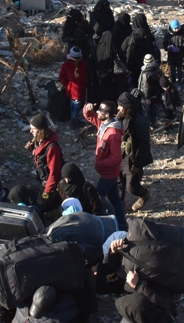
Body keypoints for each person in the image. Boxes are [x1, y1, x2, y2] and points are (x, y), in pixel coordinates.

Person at [82, 99, 126, 230]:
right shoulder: (103, 124)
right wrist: (87, 108)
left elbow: (116, 158)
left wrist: (100, 164)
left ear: (107, 114)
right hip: (108, 172)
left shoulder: (112, 133)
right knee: (115, 199)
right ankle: (122, 225)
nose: (97, 112)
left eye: (100, 110)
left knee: (96, 198)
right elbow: (89, 116)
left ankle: (98, 224)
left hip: (108, 173)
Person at [118, 92, 152, 213]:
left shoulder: (140, 123)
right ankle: (119, 208)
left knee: (131, 187)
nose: (118, 108)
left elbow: (144, 147)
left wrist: (137, 165)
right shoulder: (120, 118)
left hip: (132, 160)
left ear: (127, 108)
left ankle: (144, 195)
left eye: (120, 106)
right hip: (119, 156)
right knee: (119, 184)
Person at [27, 113, 64, 210]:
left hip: (52, 185)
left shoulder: (52, 148)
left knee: (48, 206)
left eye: (33, 129)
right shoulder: (38, 140)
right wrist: (32, 150)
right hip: (43, 179)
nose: (30, 131)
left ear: (41, 130)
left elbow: (54, 173)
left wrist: (47, 191)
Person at [59, 47, 88, 125]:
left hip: (71, 89)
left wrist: (66, 83)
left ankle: (73, 117)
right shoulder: (84, 64)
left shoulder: (66, 65)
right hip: (79, 90)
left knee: (72, 103)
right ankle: (75, 120)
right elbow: (86, 77)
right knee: (77, 105)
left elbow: (61, 76)